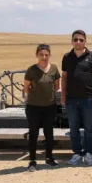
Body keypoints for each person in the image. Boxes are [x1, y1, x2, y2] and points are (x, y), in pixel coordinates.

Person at [61, 30, 92, 166]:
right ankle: (77, 153)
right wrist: (63, 95)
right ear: (72, 41)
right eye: (75, 40)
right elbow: (65, 77)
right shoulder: (67, 57)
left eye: (81, 40)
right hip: (71, 99)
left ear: (85, 41)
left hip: (88, 99)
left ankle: (89, 153)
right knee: (73, 128)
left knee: (89, 128)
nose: (78, 42)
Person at [23, 44, 61, 172]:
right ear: (37, 55)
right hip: (33, 107)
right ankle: (32, 160)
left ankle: (49, 158)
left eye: (46, 55)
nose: (44, 57)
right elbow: (26, 88)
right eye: (41, 55)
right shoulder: (31, 70)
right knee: (33, 134)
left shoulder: (54, 69)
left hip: (49, 107)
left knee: (49, 134)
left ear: (49, 55)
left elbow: (56, 86)